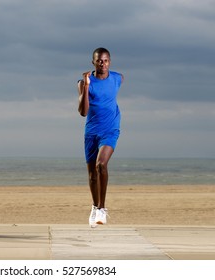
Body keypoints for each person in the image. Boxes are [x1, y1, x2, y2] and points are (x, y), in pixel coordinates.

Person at [77, 47, 124, 227]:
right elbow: (83, 112)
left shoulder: (118, 78)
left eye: (105, 60)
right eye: (99, 60)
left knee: (101, 164)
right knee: (92, 175)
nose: (102, 63)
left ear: (109, 61)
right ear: (93, 62)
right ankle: (95, 206)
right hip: (91, 132)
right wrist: (87, 86)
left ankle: (102, 209)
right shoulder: (84, 82)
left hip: (110, 129)